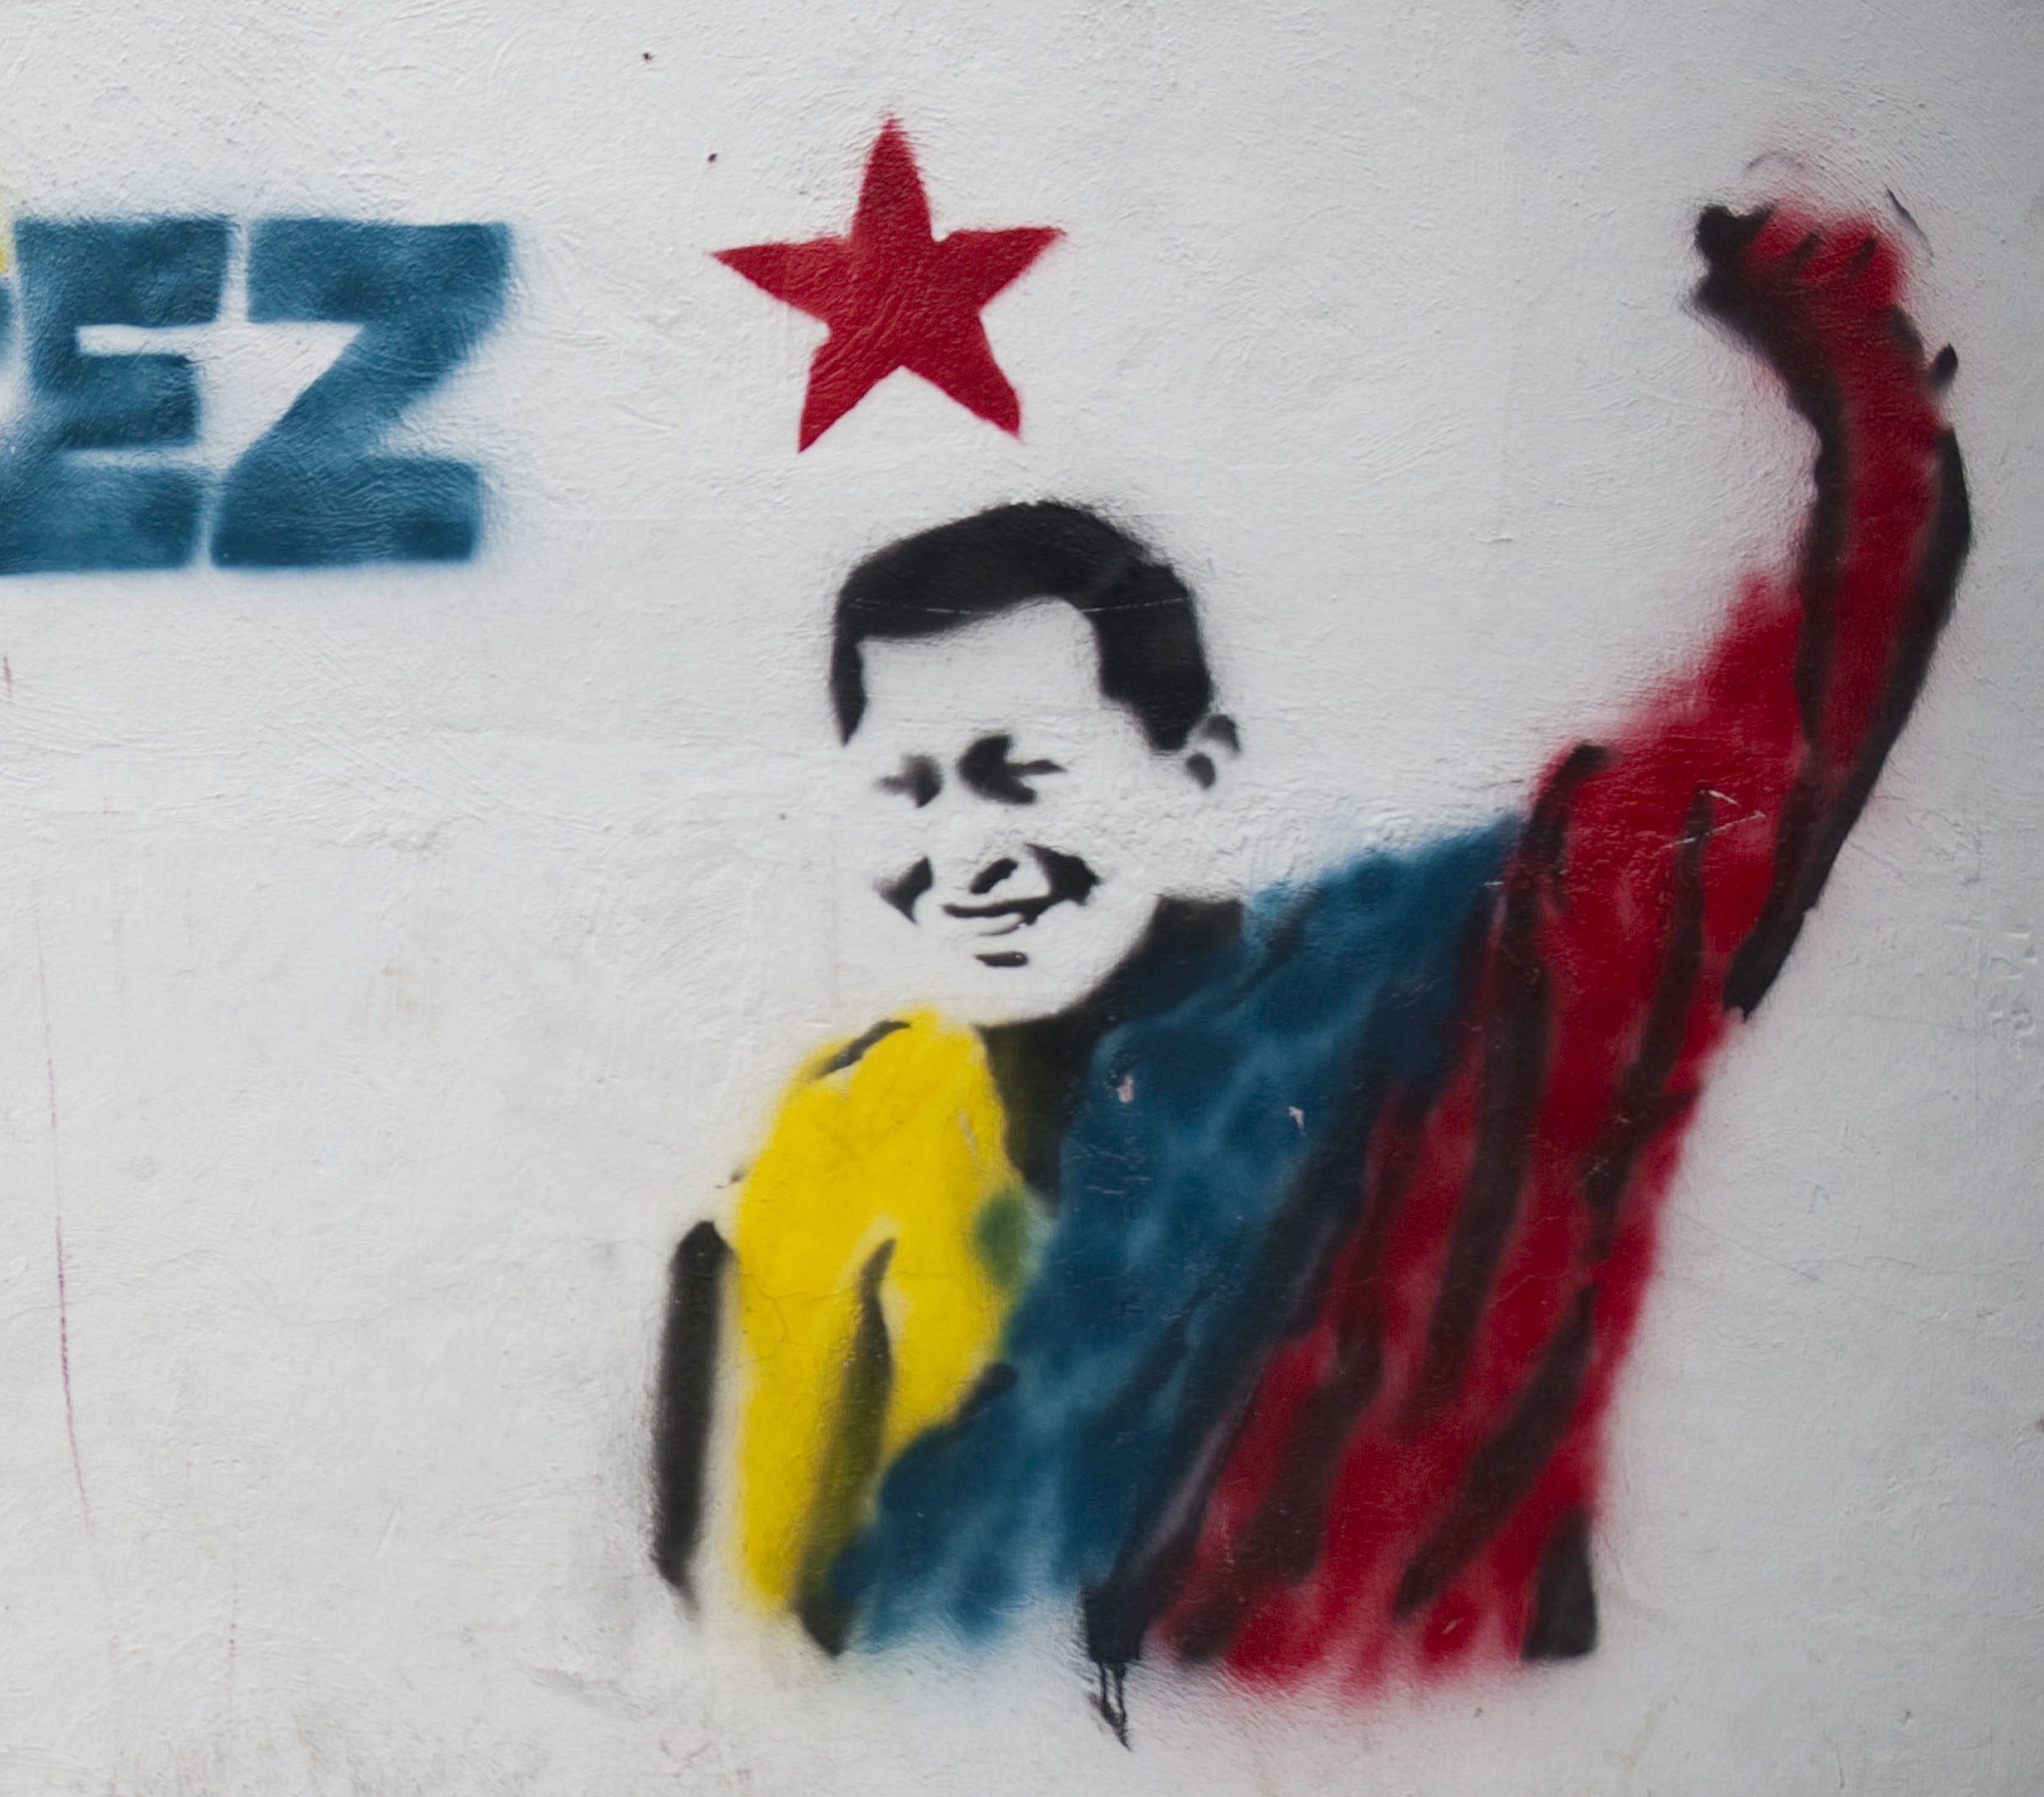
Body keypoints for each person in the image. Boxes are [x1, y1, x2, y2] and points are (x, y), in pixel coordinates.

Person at [652, 202, 1966, 1713]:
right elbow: (774, 1609)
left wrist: (1868, 411)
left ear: (1198, 767)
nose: (966, 848)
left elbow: (1751, 775)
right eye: (910, 788)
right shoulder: (854, 1133)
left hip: (1426, 1785)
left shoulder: (1447, 983)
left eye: (1023, 774)